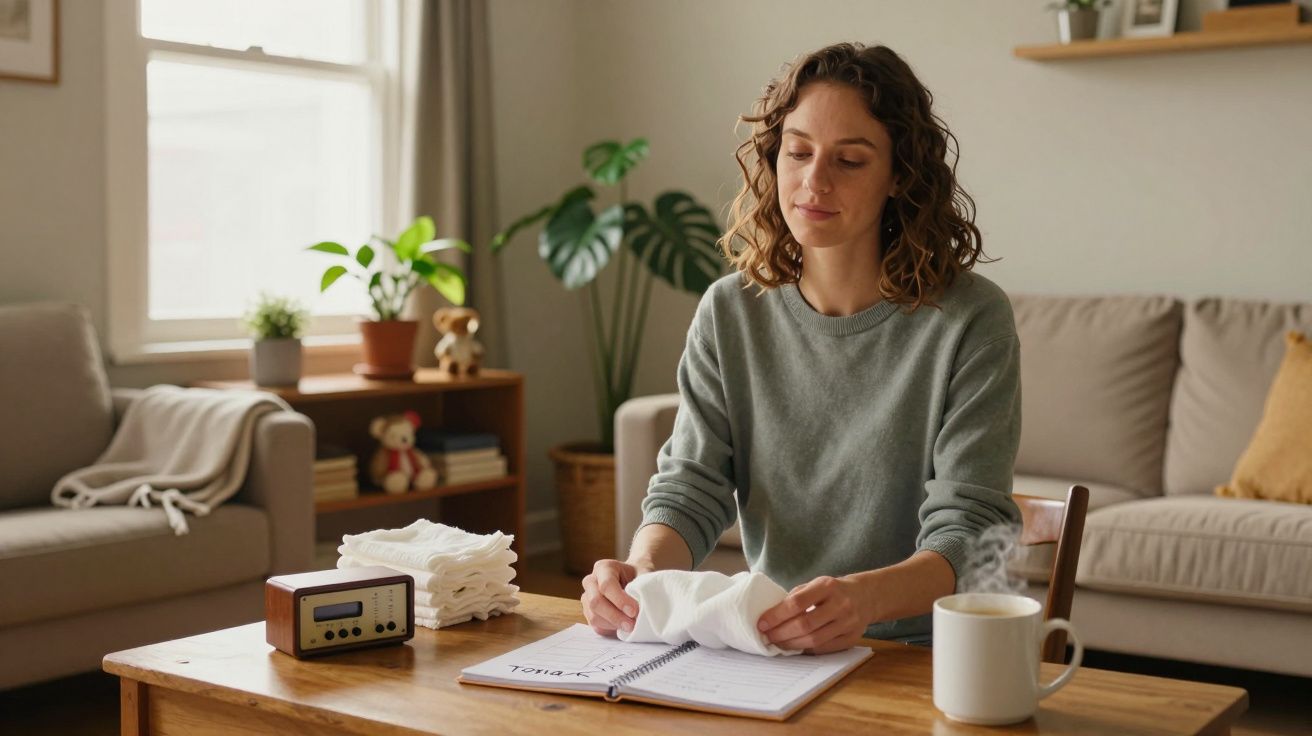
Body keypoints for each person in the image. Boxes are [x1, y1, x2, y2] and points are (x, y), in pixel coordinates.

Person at [581, 42, 1022, 653]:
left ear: (899, 176)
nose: (814, 181)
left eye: (849, 160)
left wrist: (861, 600)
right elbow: (691, 486)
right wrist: (641, 571)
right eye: (799, 152)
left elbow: (969, 531)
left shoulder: (972, 319)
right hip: (768, 649)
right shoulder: (729, 311)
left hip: (920, 655)